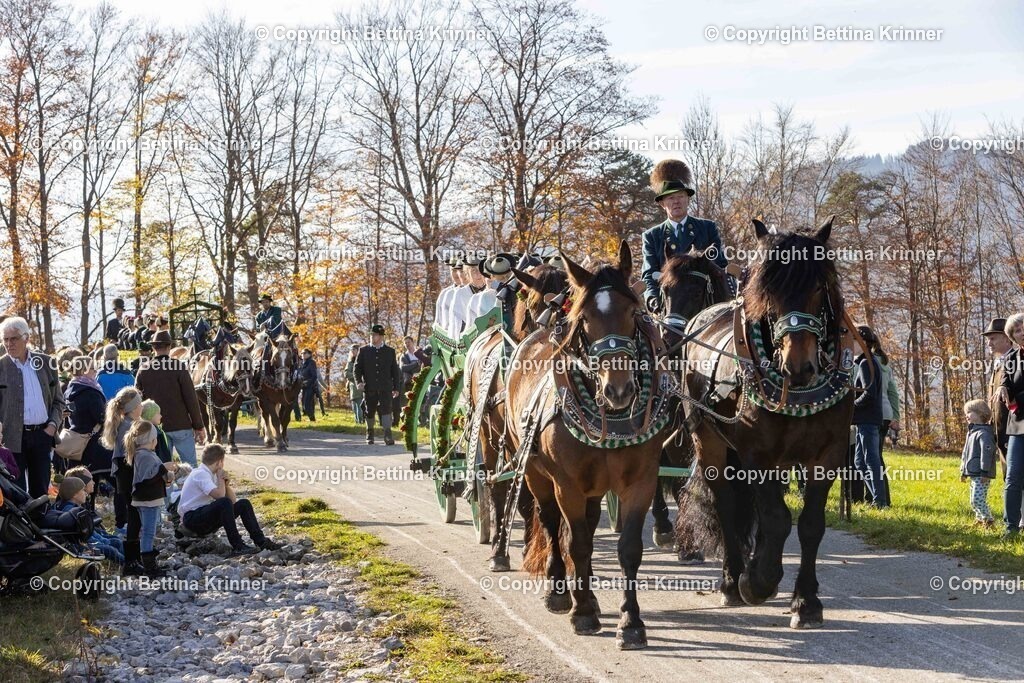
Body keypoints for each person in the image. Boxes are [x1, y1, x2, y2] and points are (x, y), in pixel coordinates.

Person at [640, 159, 729, 313]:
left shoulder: (707, 228)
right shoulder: (652, 236)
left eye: (680, 196)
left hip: (705, 305)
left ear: (688, 199)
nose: (676, 202)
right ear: (662, 204)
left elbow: (720, 266)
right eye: (670, 198)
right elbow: (649, 275)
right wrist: (653, 300)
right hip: (669, 306)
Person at [0, 317, 65, 497]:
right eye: (5, 339)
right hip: (11, 440)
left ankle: (41, 517)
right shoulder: (1, 367)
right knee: (16, 493)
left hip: (42, 435)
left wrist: (52, 427)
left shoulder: (47, 363)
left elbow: (59, 401)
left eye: (14, 339)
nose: (9, 344)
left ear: (26, 338)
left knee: (41, 492)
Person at [177, 444, 282, 555]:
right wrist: (220, 478)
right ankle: (238, 545)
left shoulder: (212, 474)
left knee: (244, 504)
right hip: (192, 519)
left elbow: (232, 501)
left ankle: (261, 541)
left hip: (203, 517)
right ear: (219, 462)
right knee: (223, 502)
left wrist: (225, 484)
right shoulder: (200, 474)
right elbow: (220, 497)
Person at [135, 330, 206, 467]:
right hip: (181, 424)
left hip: (155, 428)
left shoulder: (143, 369)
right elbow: (191, 398)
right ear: (169, 347)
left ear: (153, 347)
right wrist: (198, 425)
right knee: (190, 466)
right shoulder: (179, 367)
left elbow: (138, 402)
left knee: (162, 468)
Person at [101, 386, 145, 575]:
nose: (142, 407)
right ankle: (132, 561)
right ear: (134, 407)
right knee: (134, 515)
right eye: (140, 404)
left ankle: (133, 559)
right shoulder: (130, 427)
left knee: (133, 514)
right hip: (129, 473)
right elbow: (136, 455)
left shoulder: (124, 423)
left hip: (123, 472)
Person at [125, 420, 176, 577]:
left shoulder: (143, 454)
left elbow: (153, 475)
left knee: (147, 531)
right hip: (148, 500)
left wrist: (166, 476)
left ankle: (150, 563)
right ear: (152, 440)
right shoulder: (145, 456)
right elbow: (148, 478)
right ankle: (150, 567)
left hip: (147, 499)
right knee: (148, 532)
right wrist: (164, 468)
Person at [64, 356, 113, 484]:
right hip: (94, 445)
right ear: (84, 370)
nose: (96, 371)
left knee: (78, 483)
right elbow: (101, 417)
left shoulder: (70, 389)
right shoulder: (90, 392)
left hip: (77, 444)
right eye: (93, 368)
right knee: (92, 483)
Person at [54, 475, 124, 564]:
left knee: (116, 542)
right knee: (110, 549)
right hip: (82, 546)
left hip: (89, 541)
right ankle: (127, 564)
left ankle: (132, 560)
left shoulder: (74, 508)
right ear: (74, 495)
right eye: (83, 491)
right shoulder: (70, 511)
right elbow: (80, 535)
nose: (86, 493)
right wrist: (101, 542)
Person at [852, 341, 888, 508]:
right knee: (860, 461)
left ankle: (880, 501)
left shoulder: (866, 363)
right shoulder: (867, 362)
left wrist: (851, 406)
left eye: (853, 340)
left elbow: (869, 393)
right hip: (864, 420)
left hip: (868, 419)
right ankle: (877, 499)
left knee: (871, 460)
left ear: (863, 342)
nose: (850, 344)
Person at [998, 312, 1024, 538]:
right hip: (1018, 425)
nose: (1022, 332)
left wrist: (1018, 397)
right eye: (1017, 330)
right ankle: (1011, 528)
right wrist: (1002, 388)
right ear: (1012, 336)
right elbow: (1006, 381)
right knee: (1013, 476)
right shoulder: (1012, 357)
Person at [354, 324, 401, 445]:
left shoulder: (390, 351)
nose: (372, 337)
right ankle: (369, 433)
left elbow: (395, 371)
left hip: (385, 387)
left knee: (386, 410)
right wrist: (359, 382)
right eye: (371, 335)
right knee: (369, 411)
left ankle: (387, 435)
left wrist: (396, 388)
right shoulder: (364, 351)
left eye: (374, 335)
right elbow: (357, 368)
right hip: (370, 387)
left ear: (381, 336)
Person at [960, 399, 998, 527]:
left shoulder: (984, 434)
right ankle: (980, 520)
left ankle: (989, 520)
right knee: (973, 500)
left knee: (978, 499)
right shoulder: (971, 432)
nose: (966, 415)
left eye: (969, 412)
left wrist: (984, 472)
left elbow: (987, 454)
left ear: (980, 414)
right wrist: (963, 472)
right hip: (973, 473)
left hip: (982, 474)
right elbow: (966, 454)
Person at [983, 318, 1013, 473]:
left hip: (1014, 428)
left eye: (993, 338)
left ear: (1007, 338)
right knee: (1007, 472)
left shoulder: (1016, 361)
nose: (989, 343)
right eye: (988, 339)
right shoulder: (998, 362)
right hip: (999, 428)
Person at [434, 257, 462, 336]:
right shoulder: (444, 294)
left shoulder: (476, 292)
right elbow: (438, 322)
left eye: (459, 270)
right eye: (453, 270)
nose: (457, 274)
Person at [345, 344, 363, 424]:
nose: (352, 351)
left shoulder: (363, 361)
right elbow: (346, 374)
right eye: (351, 350)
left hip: (362, 386)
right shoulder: (350, 362)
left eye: (354, 350)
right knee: (355, 406)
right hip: (353, 387)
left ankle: (361, 422)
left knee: (360, 405)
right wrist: (356, 376)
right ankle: (358, 422)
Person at [298, 349, 318, 422]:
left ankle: (312, 419)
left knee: (307, 404)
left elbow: (314, 376)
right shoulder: (302, 363)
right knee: (304, 404)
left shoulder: (311, 363)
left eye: (305, 353)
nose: (303, 354)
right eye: (302, 353)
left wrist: (307, 382)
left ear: (309, 354)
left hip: (310, 386)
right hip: (303, 387)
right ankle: (312, 419)